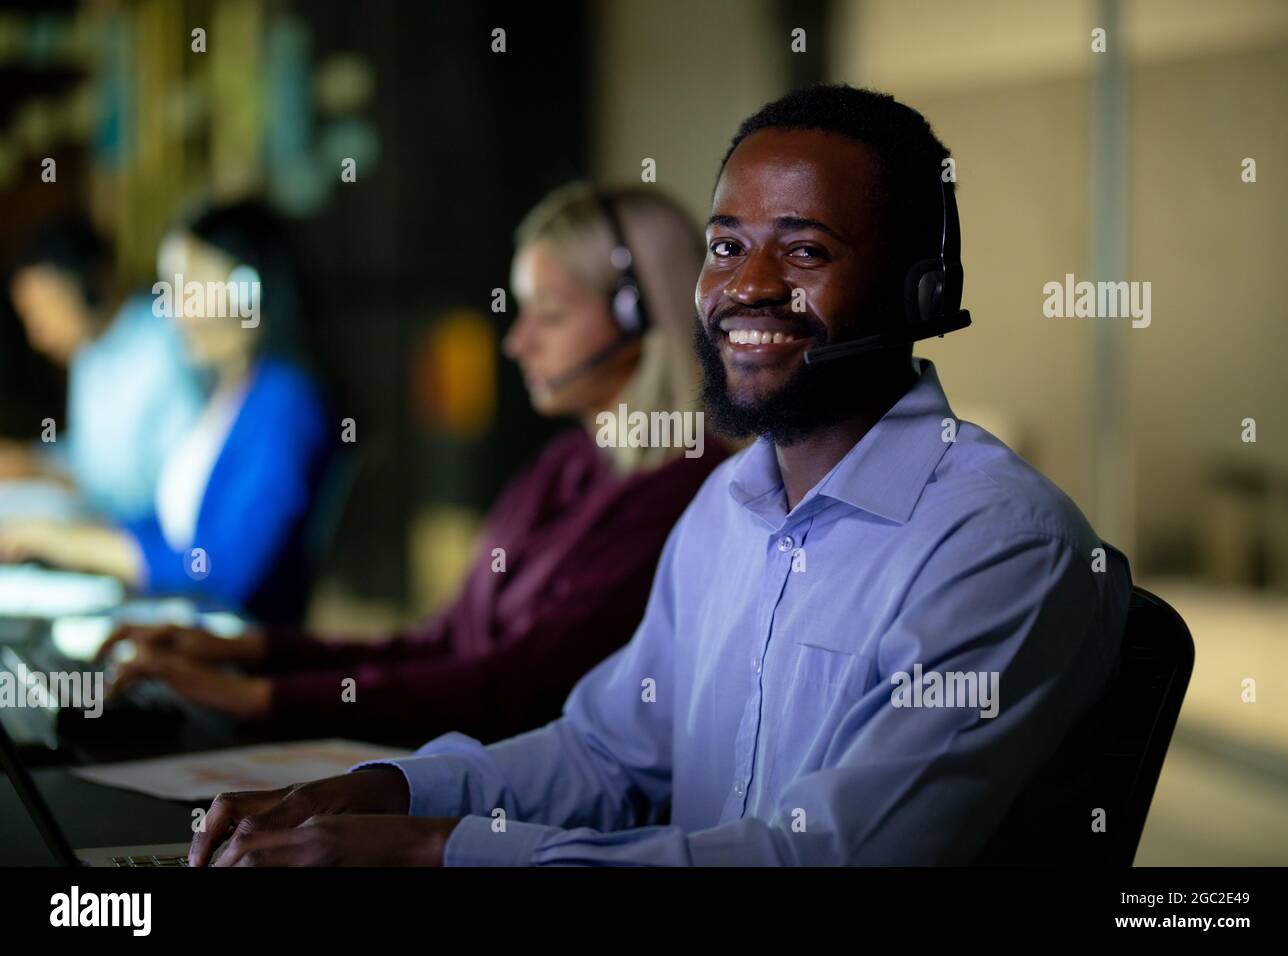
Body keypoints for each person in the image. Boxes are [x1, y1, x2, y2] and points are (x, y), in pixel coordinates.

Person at [185, 85, 1133, 867]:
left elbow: (828, 862)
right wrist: (381, 793)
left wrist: (435, 849)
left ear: (922, 291)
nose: (749, 285)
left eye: (805, 251)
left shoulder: (1001, 543)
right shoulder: (729, 506)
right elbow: (605, 752)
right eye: (727, 246)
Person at [98, 184, 727, 739]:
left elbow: (513, 692)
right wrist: (249, 652)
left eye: (551, 314)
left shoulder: (678, 492)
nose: (517, 341)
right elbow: (443, 642)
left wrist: (262, 698)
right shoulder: (565, 463)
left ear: (637, 317)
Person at [0, 200, 333, 626]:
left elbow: (224, 567)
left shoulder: (285, 406)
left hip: (226, 648)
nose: (173, 311)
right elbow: (173, 526)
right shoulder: (235, 396)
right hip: (184, 624)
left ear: (247, 290)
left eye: (188, 286)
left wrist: (69, 543)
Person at [0, 217, 203, 522]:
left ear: (92, 281)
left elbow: (167, 492)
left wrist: (45, 472)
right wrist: (28, 460)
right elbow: (91, 455)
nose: (38, 336)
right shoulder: (89, 349)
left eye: (46, 309)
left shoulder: (168, 346)